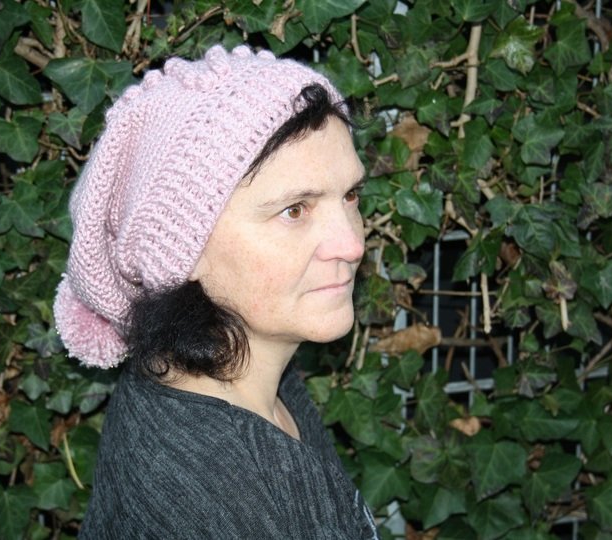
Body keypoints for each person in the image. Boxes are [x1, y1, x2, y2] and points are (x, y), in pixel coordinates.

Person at [53, 44, 379, 539]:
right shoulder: (221, 492)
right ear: (181, 249)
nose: (352, 245)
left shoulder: (246, 376)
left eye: (350, 195)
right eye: (294, 210)